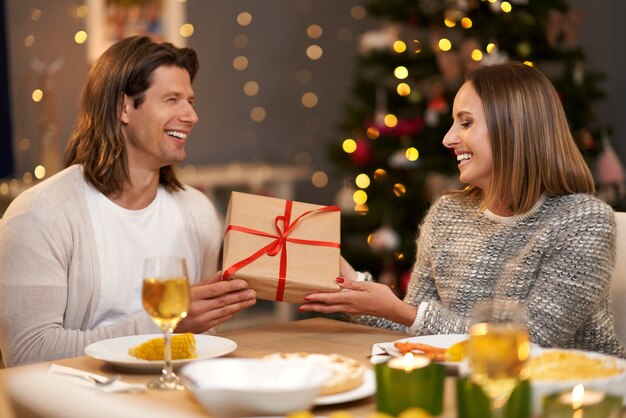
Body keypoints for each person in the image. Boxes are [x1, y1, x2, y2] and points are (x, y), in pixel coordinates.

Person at [301, 61, 625, 357]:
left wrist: (405, 313)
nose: (447, 138)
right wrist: (352, 282)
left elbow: (531, 342)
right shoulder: (447, 215)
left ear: (513, 128)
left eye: (465, 123)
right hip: (466, 387)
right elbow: (417, 329)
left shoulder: (583, 222)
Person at [0, 36, 257, 367]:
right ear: (124, 107)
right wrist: (162, 325)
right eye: (172, 99)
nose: (191, 116)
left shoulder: (198, 212)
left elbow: (202, 338)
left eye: (191, 101)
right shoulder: (40, 214)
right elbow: (27, 353)